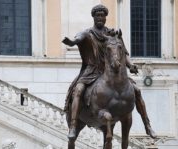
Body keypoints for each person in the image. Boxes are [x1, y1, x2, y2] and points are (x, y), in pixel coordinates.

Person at [63, 4, 156, 139]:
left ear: (106, 17)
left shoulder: (113, 34)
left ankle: (147, 125)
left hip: (111, 73)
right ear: (93, 17)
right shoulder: (88, 33)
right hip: (91, 71)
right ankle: (73, 125)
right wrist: (72, 42)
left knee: (136, 90)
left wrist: (130, 66)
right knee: (78, 90)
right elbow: (78, 38)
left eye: (102, 15)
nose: (100, 18)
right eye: (97, 15)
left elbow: (123, 52)